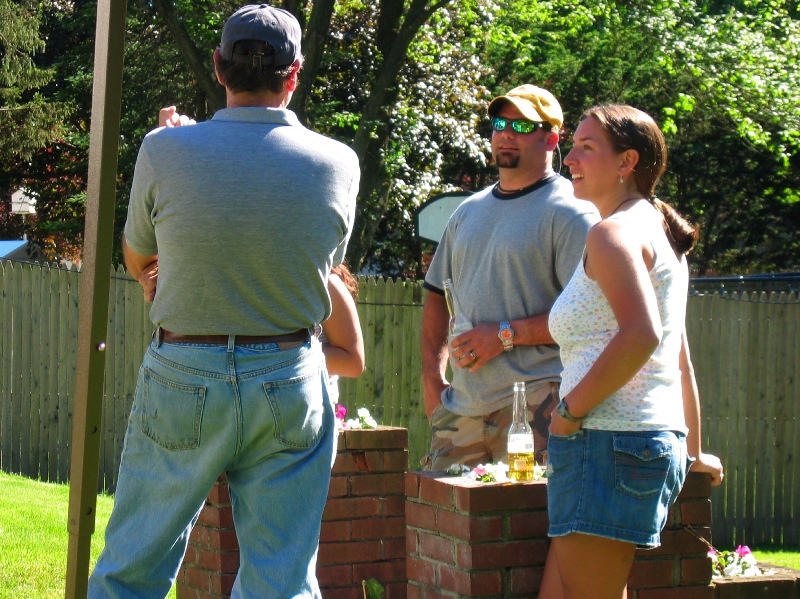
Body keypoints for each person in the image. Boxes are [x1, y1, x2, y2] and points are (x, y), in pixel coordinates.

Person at [87, 5, 360, 598]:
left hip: (183, 369)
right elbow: (318, 263)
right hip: (288, 375)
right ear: (294, 73)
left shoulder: (163, 150)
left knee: (131, 570)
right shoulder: (339, 162)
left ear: (218, 66)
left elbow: (138, 257)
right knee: (281, 581)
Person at [540, 104, 724, 599]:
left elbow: (643, 336)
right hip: (632, 443)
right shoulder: (656, 231)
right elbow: (679, 358)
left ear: (627, 161)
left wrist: (568, 414)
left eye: (586, 147)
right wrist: (693, 450)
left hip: (605, 441)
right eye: (572, 146)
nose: (570, 157)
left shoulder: (613, 233)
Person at [420, 84, 598, 470]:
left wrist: (505, 335)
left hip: (537, 404)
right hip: (461, 411)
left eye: (521, 126)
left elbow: (588, 318)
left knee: (527, 510)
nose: (505, 133)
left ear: (551, 138)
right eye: (500, 124)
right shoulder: (467, 212)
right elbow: (435, 295)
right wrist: (432, 379)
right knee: (440, 509)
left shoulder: (573, 213)